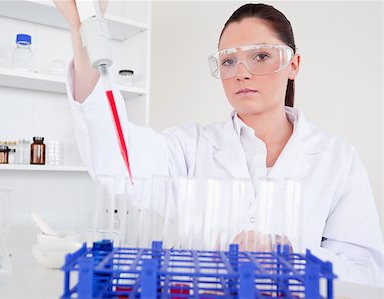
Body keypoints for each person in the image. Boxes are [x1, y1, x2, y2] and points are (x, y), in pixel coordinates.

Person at [54, 1, 384, 286]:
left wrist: (293, 258)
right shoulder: (188, 147)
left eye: (261, 56)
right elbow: (116, 156)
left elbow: (365, 271)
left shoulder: (338, 160)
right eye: (228, 61)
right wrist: (83, 28)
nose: (242, 72)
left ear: (293, 65)